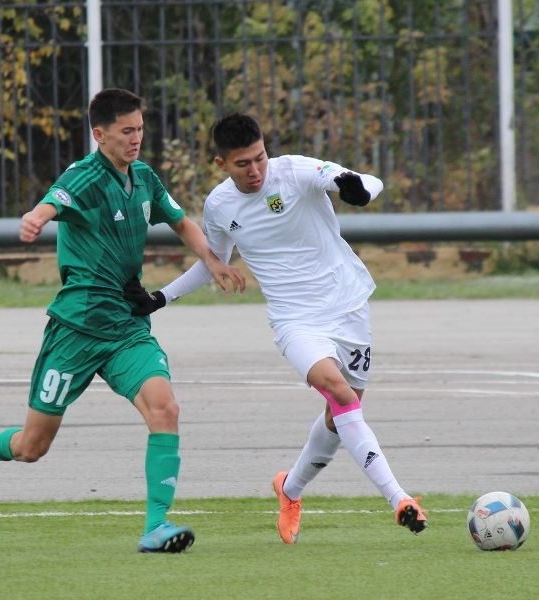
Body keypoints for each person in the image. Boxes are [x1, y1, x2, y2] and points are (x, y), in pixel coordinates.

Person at [0, 88, 245, 554]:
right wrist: (35, 218)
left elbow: (182, 222)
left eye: (140, 129)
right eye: (126, 131)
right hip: (76, 331)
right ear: (100, 135)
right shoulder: (83, 177)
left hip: (125, 325)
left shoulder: (144, 178)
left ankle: (156, 526)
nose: (136, 138)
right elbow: (51, 202)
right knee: (32, 447)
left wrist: (213, 259)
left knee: (165, 408)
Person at [124, 112, 427, 544]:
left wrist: (356, 187)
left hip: (349, 306)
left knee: (339, 417)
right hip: (294, 320)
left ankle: (290, 488)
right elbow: (212, 263)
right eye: (243, 163)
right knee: (340, 394)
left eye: (260, 158)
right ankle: (399, 498)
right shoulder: (219, 206)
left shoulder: (296, 171)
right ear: (221, 164)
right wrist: (161, 297)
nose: (255, 170)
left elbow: (368, 180)